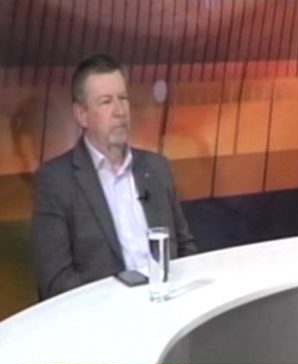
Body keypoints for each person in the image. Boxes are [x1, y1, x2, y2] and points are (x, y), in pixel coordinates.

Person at [31, 54, 196, 299]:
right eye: (106, 102)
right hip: (102, 316)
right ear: (82, 114)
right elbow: (56, 281)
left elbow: (185, 249)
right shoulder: (56, 181)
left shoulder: (157, 168)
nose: (119, 111)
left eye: (123, 98)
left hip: (166, 306)